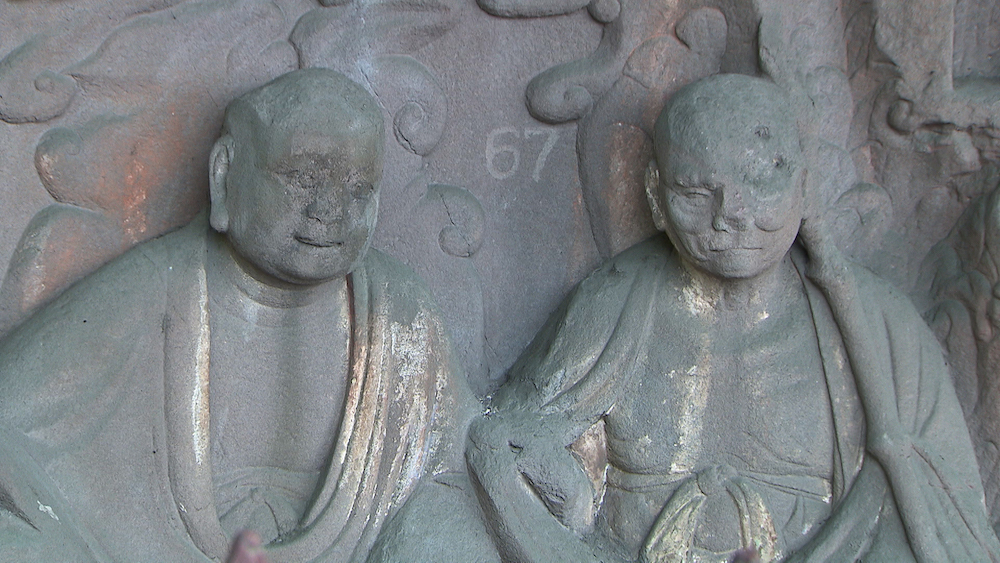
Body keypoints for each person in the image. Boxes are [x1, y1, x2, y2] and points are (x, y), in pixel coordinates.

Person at [466, 74, 1000, 562]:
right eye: (697, 193)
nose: (732, 215)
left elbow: (942, 510)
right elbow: (513, 443)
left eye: (761, 181)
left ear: (804, 185)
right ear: (655, 195)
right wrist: (555, 484)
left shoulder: (880, 327)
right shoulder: (614, 303)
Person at [0, 68, 483, 563]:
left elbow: (460, 471)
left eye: (358, 188)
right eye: (303, 178)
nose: (330, 209)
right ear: (224, 173)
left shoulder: (401, 313)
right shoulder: (150, 291)